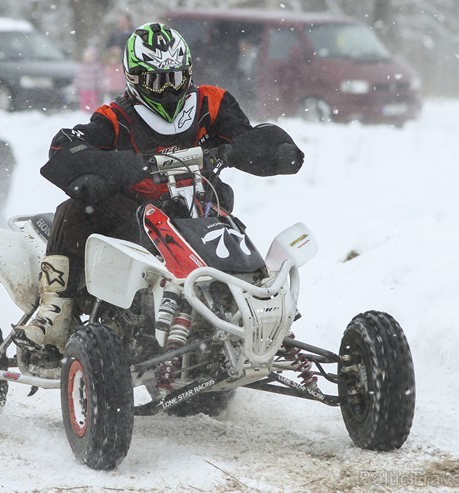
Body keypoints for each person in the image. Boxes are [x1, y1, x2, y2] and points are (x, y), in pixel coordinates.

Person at [15, 22, 304, 354]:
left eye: (176, 78)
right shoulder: (115, 117)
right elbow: (63, 150)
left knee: (226, 212)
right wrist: (124, 165)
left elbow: (258, 141)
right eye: (156, 81)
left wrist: (236, 152)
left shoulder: (213, 103)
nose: (168, 90)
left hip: (201, 210)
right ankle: (56, 308)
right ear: (135, 79)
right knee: (75, 207)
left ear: (188, 72)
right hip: (133, 219)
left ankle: (253, 305)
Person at [74, 46, 103, 113]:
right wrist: (77, 85)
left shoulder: (96, 67)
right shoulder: (81, 67)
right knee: (84, 101)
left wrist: (100, 86)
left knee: (93, 102)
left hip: (93, 89)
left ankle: (93, 112)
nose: (88, 58)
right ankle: (84, 112)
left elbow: (99, 78)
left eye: (90, 56)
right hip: (83, 89)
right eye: (87, 56)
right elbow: (78, 77)